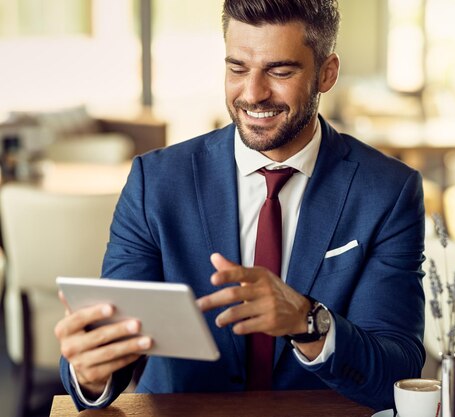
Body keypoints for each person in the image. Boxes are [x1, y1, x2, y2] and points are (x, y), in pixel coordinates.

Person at [54, 0, 426, 411]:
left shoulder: (388, 191)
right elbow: (119, 336)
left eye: (280, 71)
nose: (252, 93)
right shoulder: (155, 182)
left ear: (327, 73)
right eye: (237, 68)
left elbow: (398, 373)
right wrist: (92, 373)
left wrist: (307, 320)